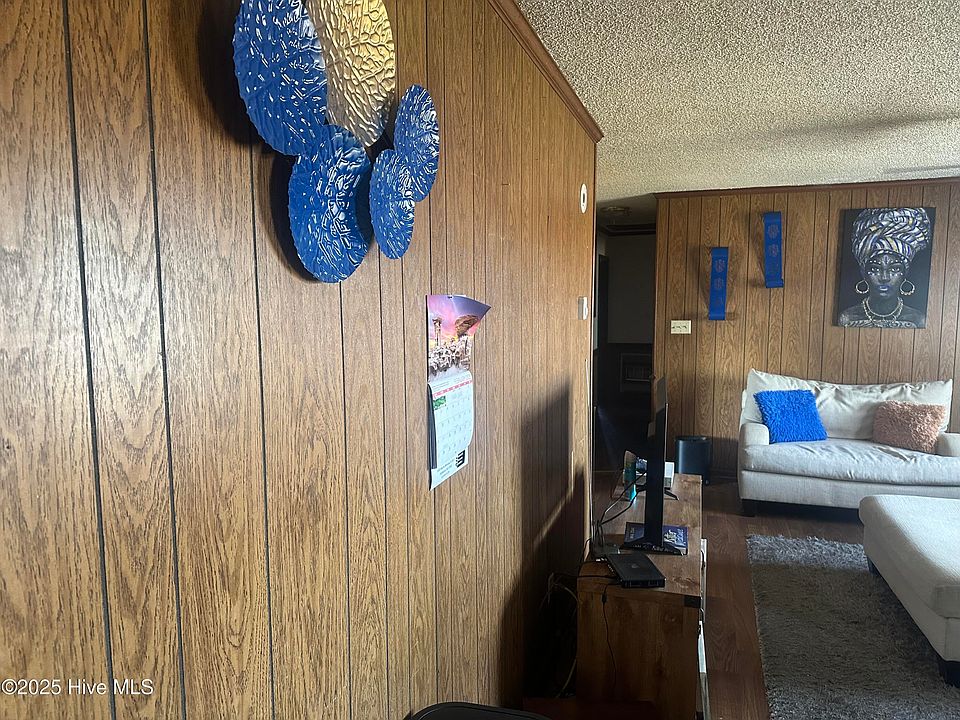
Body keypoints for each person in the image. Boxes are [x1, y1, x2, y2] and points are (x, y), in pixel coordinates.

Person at [838, 207, 931, 328]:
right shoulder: (847, 318)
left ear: (905, 273)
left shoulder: (917, 320)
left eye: (894, 269)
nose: (884, 277)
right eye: (875, 269)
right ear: (863, 272)